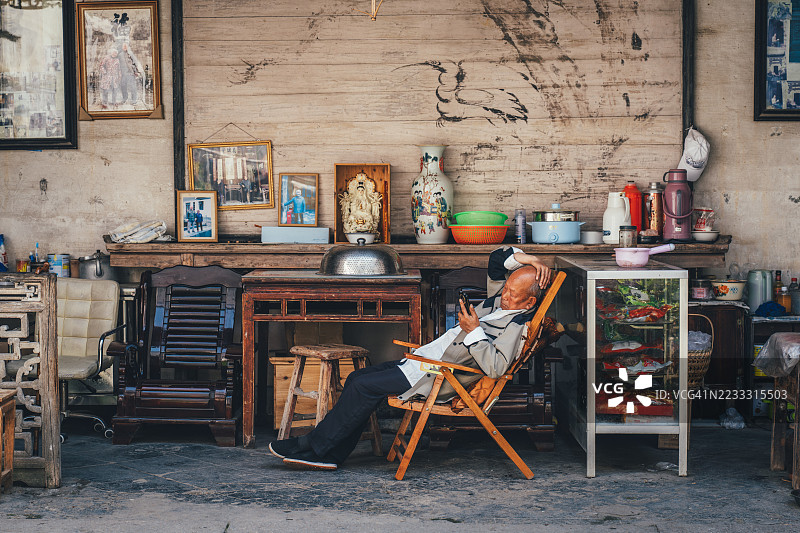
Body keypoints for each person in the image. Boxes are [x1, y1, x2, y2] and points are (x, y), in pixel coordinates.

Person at [269, 246, 552, 470]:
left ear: (529, 302)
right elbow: (496, 259)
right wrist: (531, 259)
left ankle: (313, 446)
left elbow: (496, 366)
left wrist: (474, 331)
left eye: (513, 295)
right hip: (423, 360)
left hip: (438, 375)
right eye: (506, 289)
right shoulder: (498, 300)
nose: (505, 296)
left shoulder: (516, 326)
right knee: (357, 378)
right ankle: (329, 453)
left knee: (361, 386)